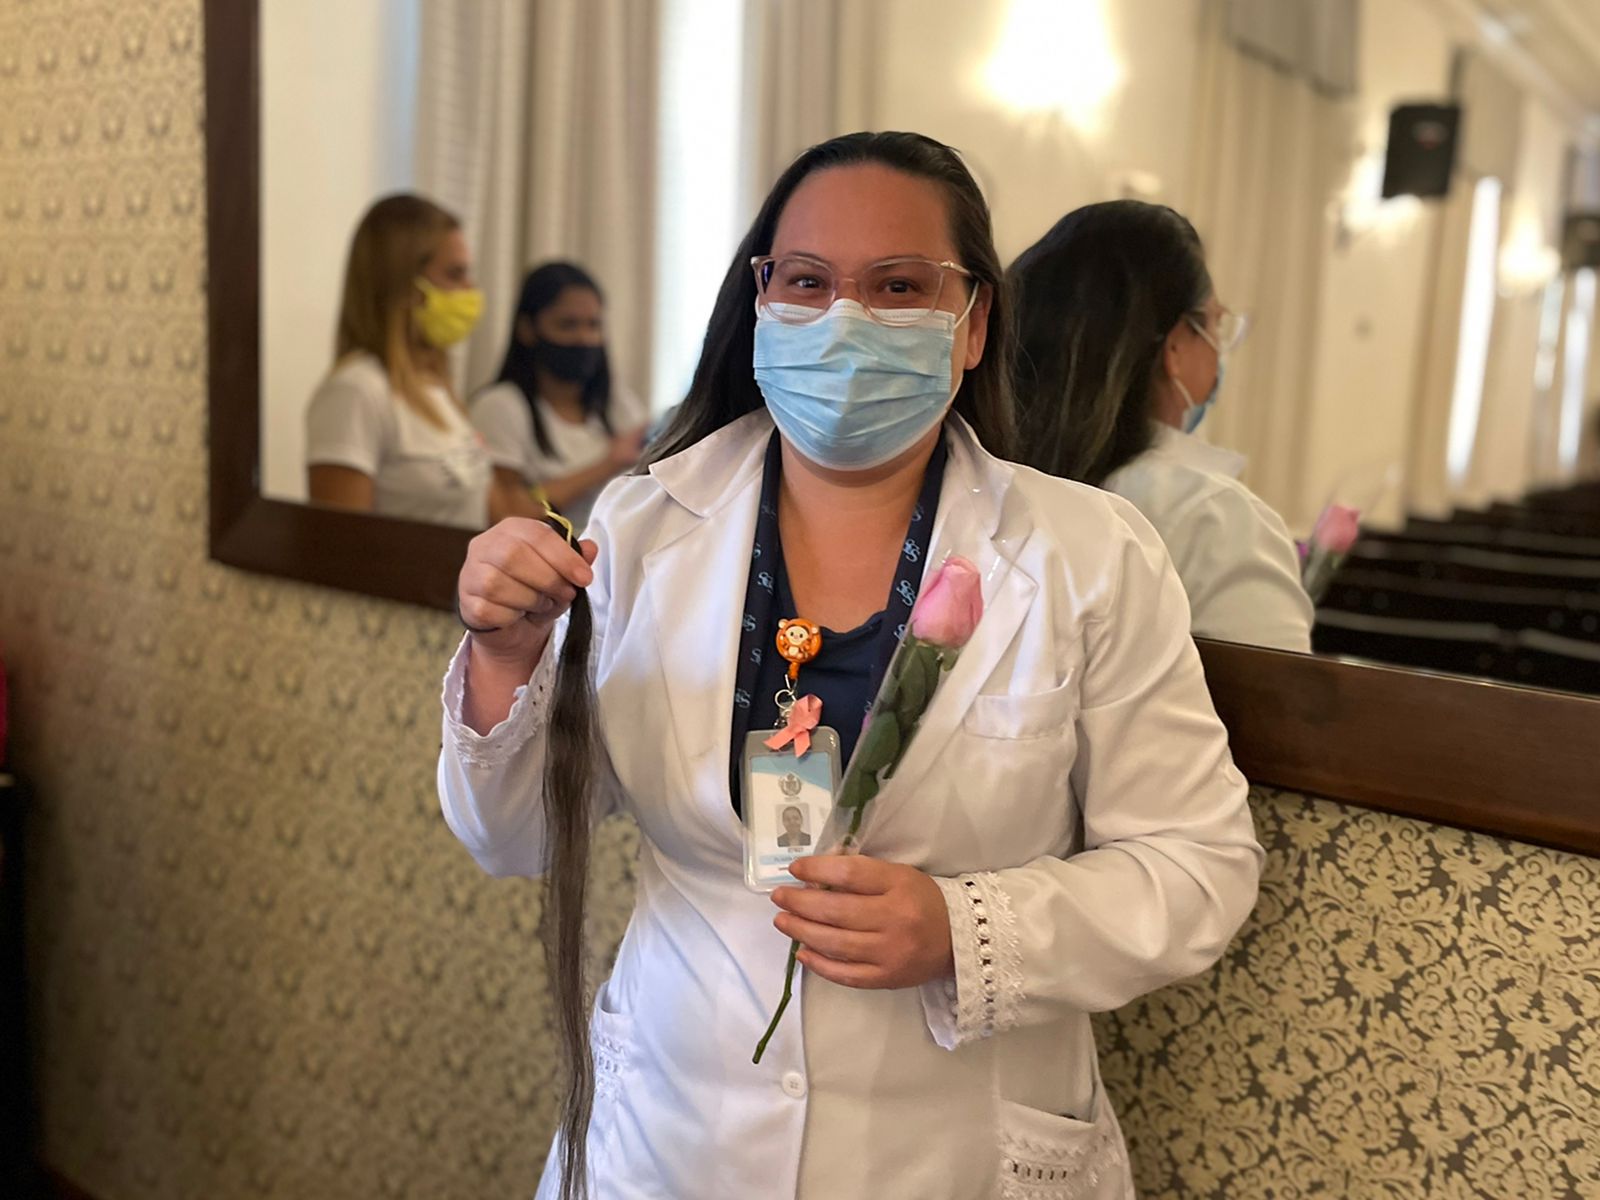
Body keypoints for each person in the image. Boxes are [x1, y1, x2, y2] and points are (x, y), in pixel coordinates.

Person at [440, 132, 1262, 1199]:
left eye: (898, 287)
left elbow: (1197, 868)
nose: (844, 320)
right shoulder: (643, 527)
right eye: (807, 281)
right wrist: (505, 655)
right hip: (673, 1142)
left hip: (951, 1157)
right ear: (760, 300)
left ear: (973, 324)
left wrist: (965, 932)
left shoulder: (1089, 554)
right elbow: (513, 837)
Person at [1008, 200, 1315, 652]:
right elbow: (1275, 693)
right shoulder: (1214, 519)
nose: (1220, 350)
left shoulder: (987, 480)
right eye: (1216, 324)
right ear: (1174, 347)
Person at [304, 194, 540, 528]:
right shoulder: (356, 391)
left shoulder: (437, 389)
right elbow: (339, 540)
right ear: (403, 283)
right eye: (455, 274)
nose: (470, 289)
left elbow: (491, 513)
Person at [471, 262, 650, 531]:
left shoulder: (617, 402)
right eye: (568, 325)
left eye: (593, 325)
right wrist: (608, 464)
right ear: (527, 329)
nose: (584, 338)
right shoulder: (500, 406)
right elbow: (509, 513)